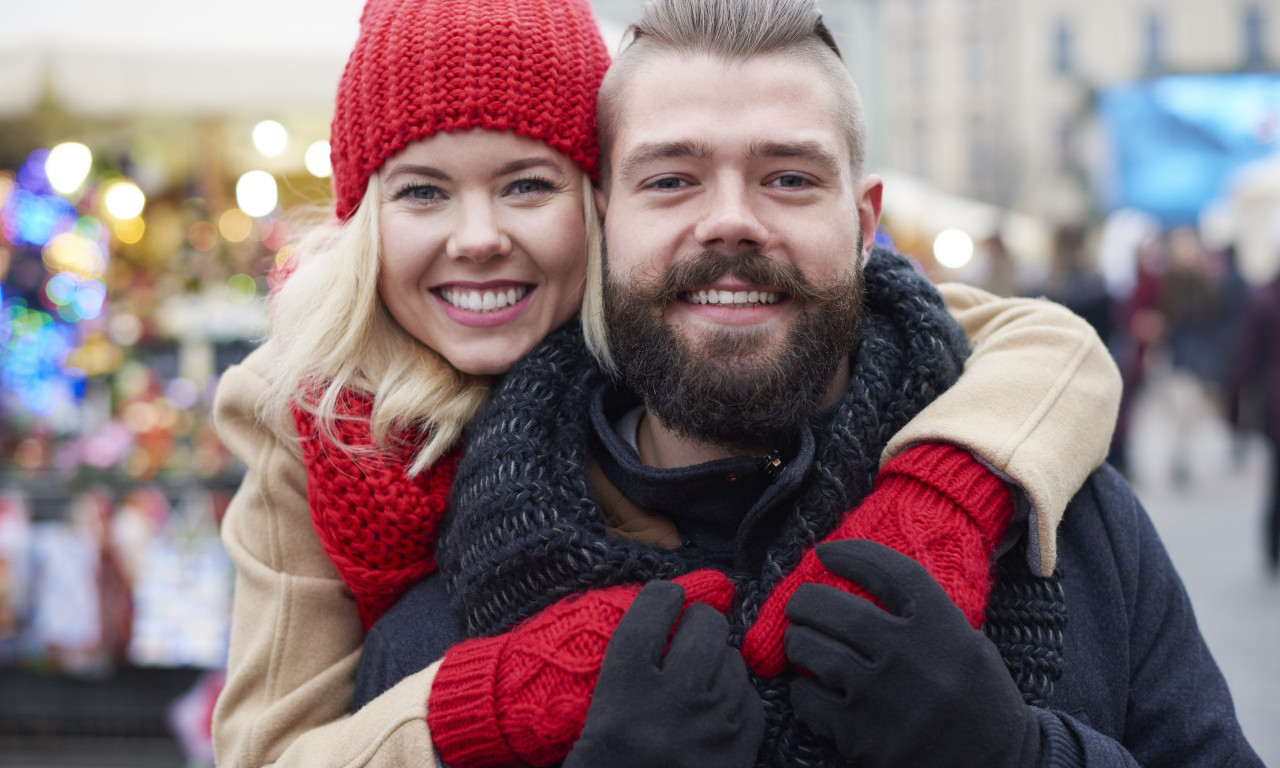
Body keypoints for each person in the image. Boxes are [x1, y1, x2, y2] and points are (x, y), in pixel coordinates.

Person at [211, 0, 1126, 766]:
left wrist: (954, 494)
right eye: (420, 192)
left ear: (589, 209)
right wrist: (484, 701)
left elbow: (1045, 344)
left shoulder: (1082, 530)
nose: (479, 234)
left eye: (527, 185)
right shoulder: (321, 431)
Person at [1227, 270, 1280, 573]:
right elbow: (1247, 359)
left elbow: (1246, 359)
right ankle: (1272, 544)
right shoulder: (1265, 302)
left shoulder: (1266, 300)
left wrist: (1233, 407)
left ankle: (1272, 545)